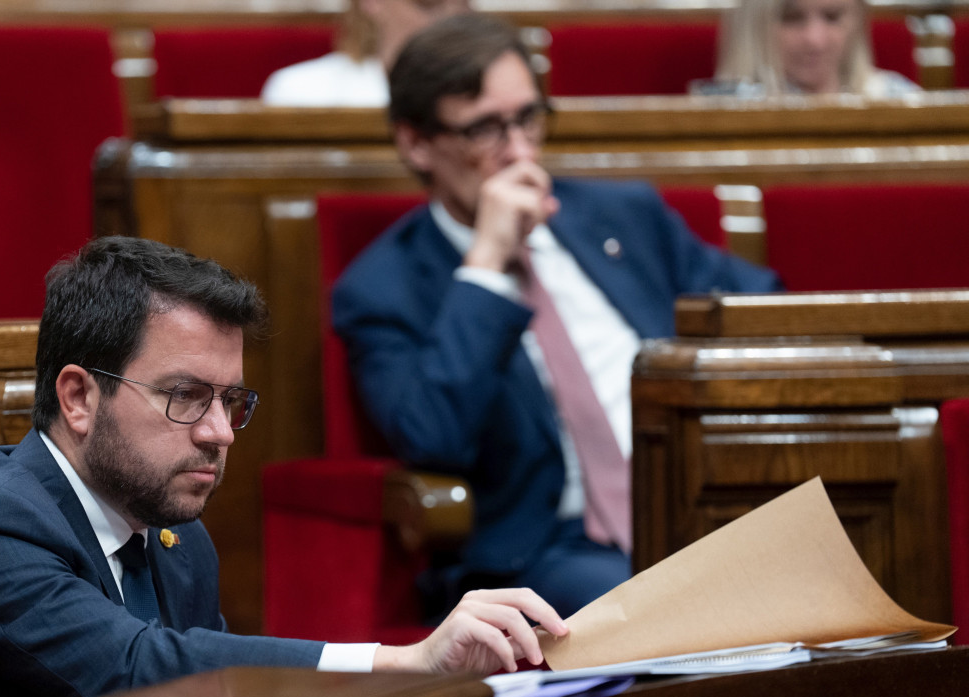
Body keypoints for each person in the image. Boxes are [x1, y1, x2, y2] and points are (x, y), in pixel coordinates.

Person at [0, 236, 568, 697]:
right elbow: (143, 672)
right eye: (186, 396)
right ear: (78, 398)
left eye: (232, 402)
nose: (219, 432)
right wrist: (401, 662)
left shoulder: (176, 535)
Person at [331, 14, 782, 621]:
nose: (519, 151)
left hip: (697, 508)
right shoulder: (382, 287)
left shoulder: (622, 216)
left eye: (527, 118)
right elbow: (432, 434)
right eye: (486, 129)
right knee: (663, 610)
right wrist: (487, 264)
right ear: (416, 143)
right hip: (546, 549)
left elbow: (761, 310)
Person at [261, 0, 469, 106]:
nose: (453, 17)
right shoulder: (301, 92)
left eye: (463, 1)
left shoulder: (491, 89)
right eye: (427, 3)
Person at [699, 0, 921, 97]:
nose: (815, 40)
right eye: (792, 18)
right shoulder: (716, 116)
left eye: (832, 17)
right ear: (754, 23)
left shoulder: (900, 100)